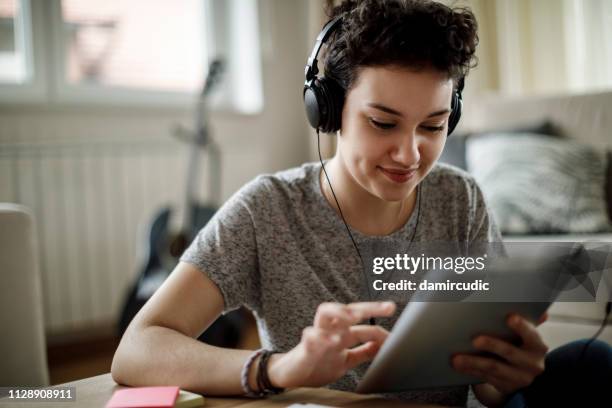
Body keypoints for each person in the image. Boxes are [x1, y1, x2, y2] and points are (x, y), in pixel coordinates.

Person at [111, 0, 610, 406]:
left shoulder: (461, 198)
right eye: (383, 122)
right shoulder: (267, 209)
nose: (410, 154)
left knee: (593, 363)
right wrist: (280, 368)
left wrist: (506, 375)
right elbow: (137, 349)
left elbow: (485, 387)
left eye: (433, 126)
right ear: (327, 109)